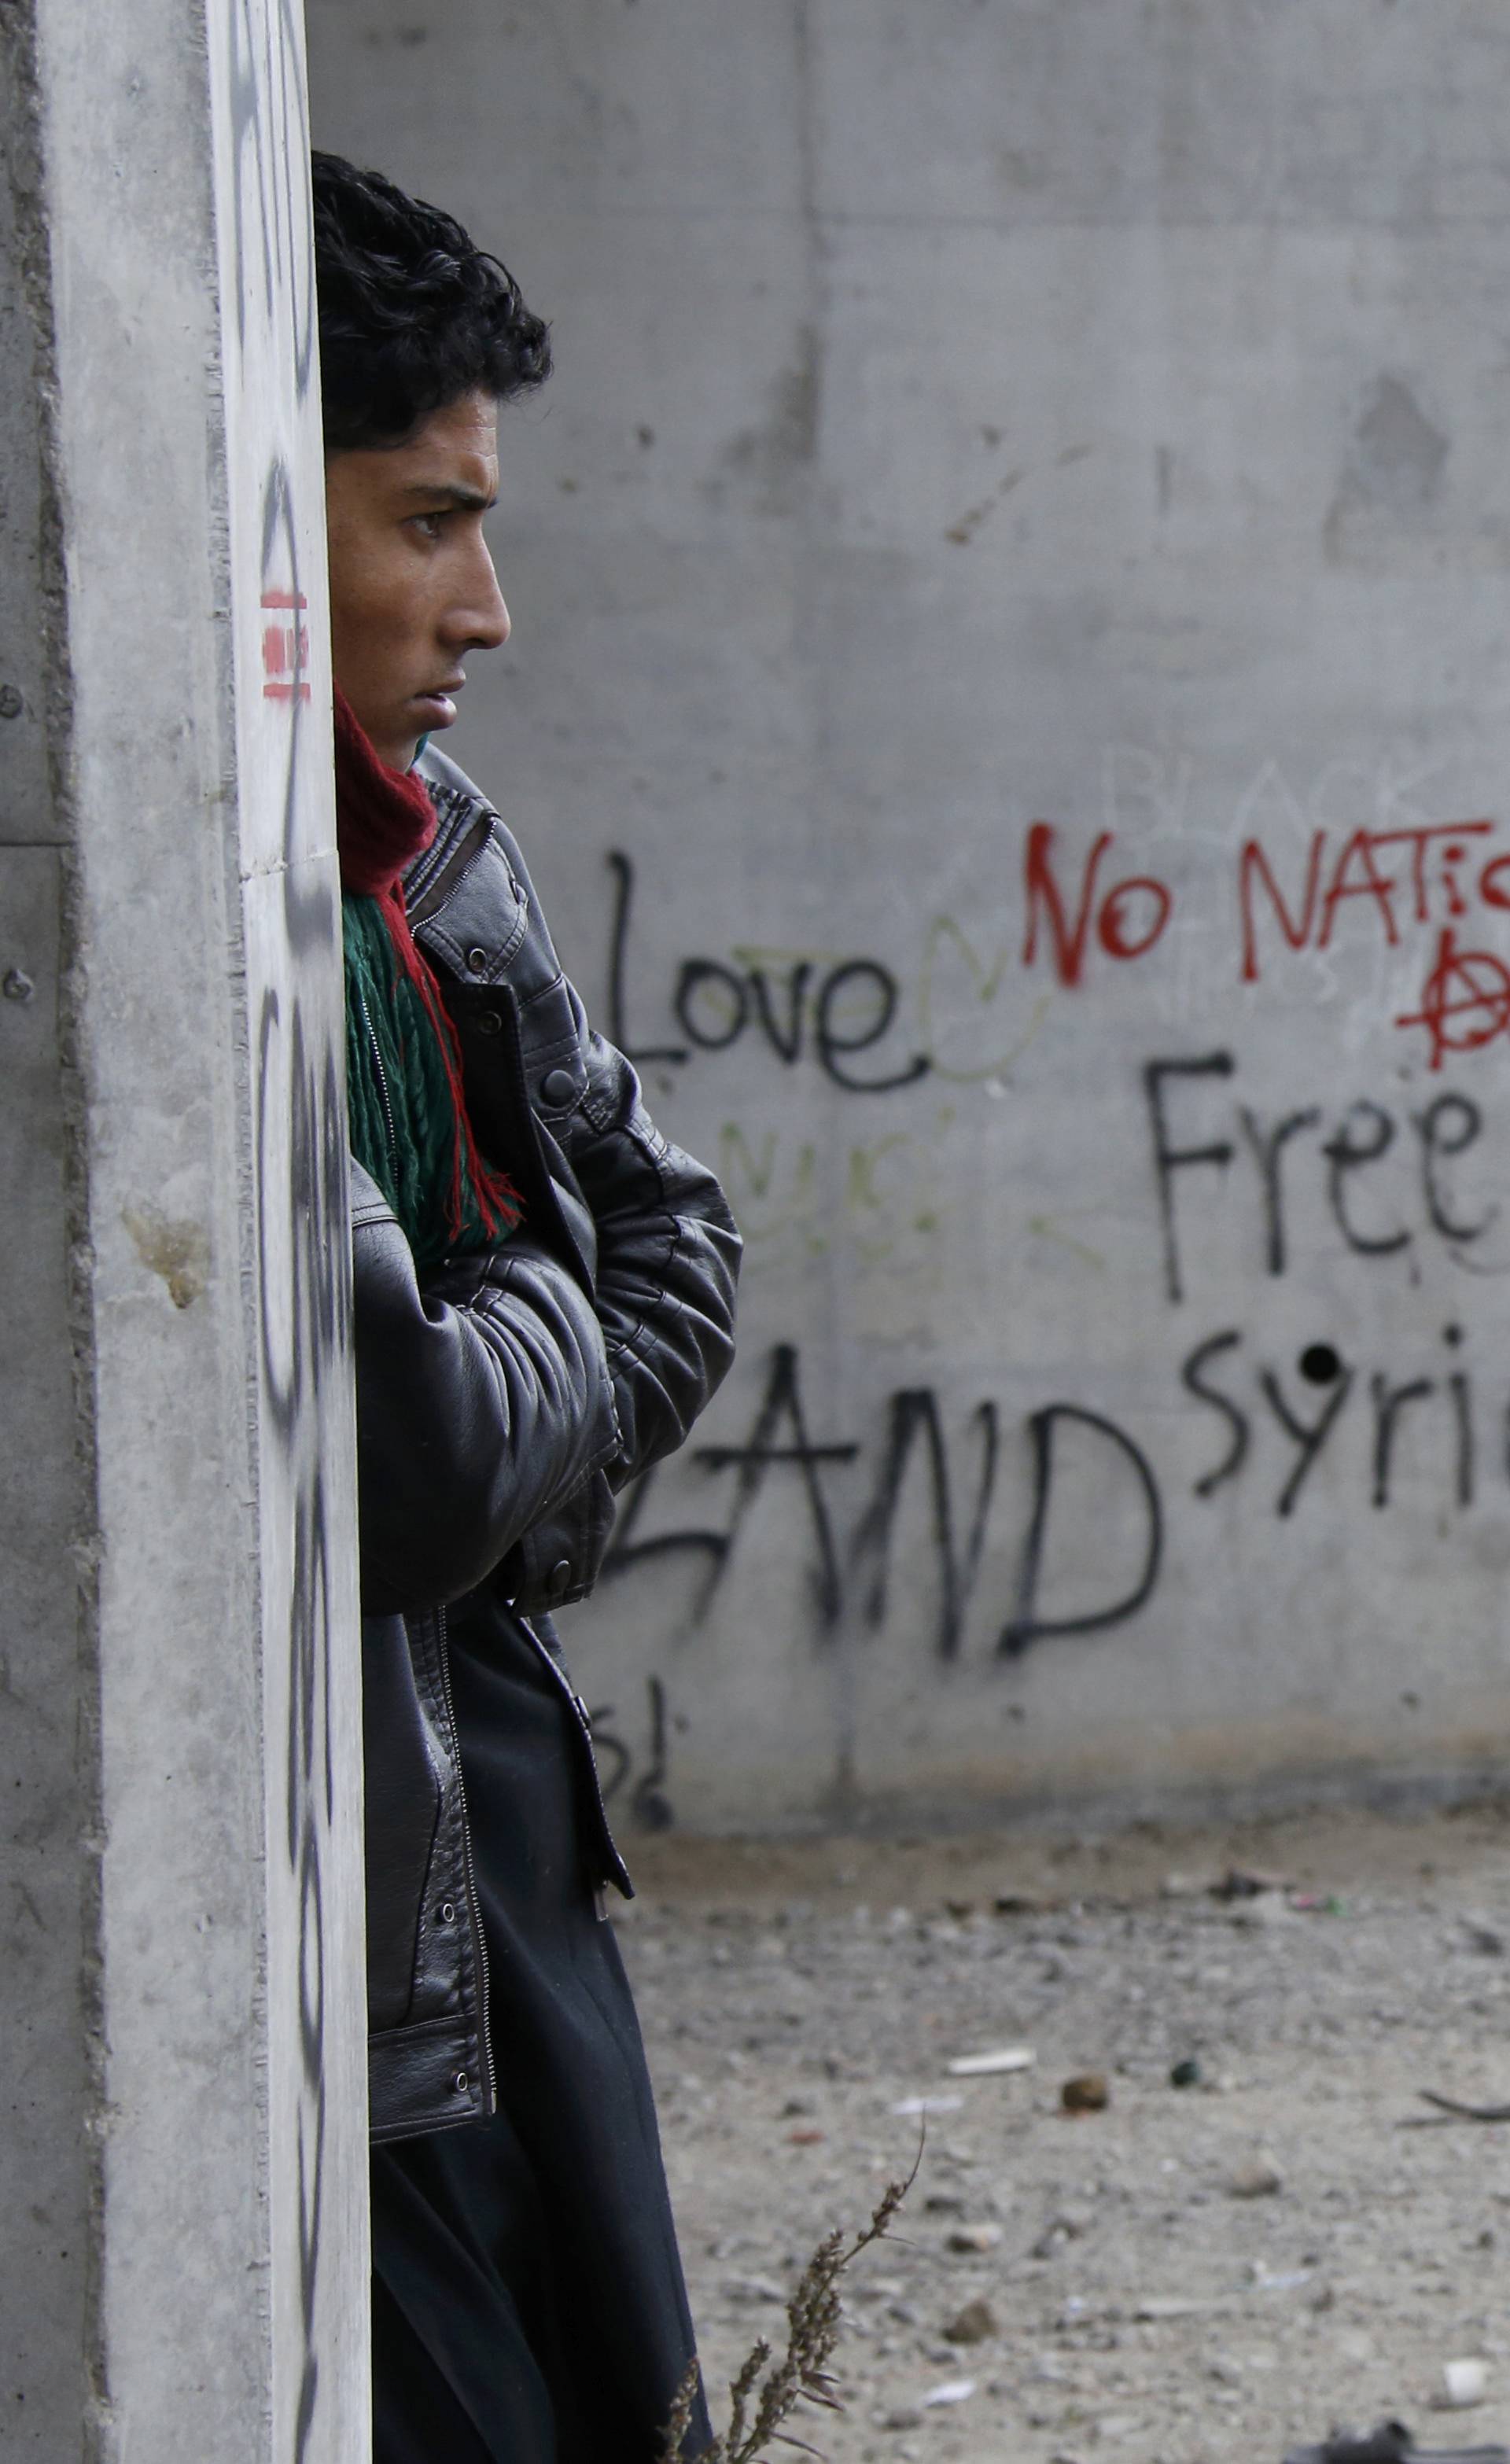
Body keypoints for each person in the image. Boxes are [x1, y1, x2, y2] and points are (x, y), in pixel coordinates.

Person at [312, 149, 740, 2462]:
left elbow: (686, 1247)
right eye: (425, 524)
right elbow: (432, 1460)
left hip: (497, 1845)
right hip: (354, 1915)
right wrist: (536, 1317)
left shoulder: (435, 857)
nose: (488, 609)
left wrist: (513, 1319)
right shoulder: (239, 929)